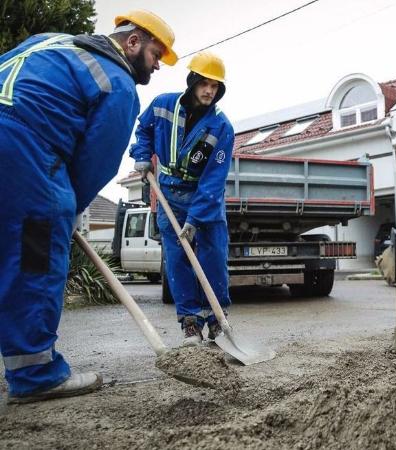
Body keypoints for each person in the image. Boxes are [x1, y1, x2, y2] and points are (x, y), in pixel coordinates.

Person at [0, 10, 177, 404]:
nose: (156, 66)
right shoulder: (117, 83)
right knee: (35, 258)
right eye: (155, 54)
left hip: (10, 133)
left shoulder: (50, 41)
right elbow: (94, 165)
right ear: (132, 42)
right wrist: (63, 213)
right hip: (23, 146)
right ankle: (35, 375)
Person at [130, 52, 234, 347]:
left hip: (205, 198)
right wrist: (141, 157)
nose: (209, 91)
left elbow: (214, 178)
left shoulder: (222, 127)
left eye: (215, 87)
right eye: (204, 83)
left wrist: (195, 219)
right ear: (192, 81)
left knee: (213, 258)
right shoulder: (163, 104)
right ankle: (190, 323)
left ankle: (216, 320)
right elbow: (143, 129)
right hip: (168, 195)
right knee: (177, 261)